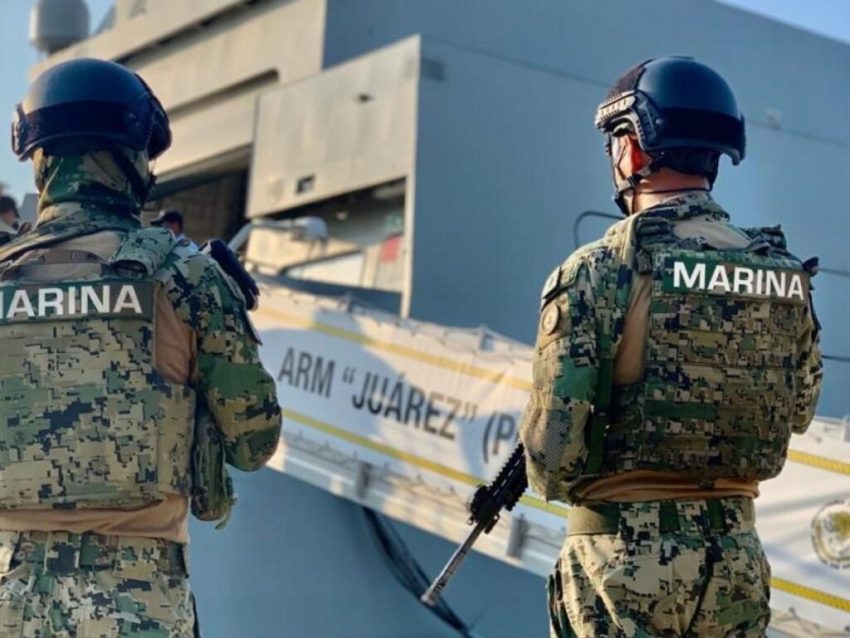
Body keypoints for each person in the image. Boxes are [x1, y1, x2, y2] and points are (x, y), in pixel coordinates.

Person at [519, 56, 822, 638]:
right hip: (736, 562)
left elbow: (553, 457)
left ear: (633, 148)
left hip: (620, 562)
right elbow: (800, 411)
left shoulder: (598, 271)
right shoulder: (784, 276)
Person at [0, 58, 281, 636]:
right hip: (136, 597)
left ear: (39, 160)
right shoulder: (187, 276)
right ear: (134, 161)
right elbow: (255, 441)